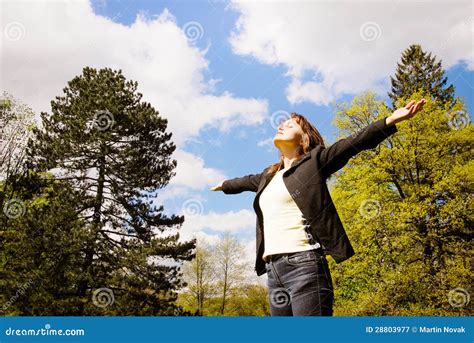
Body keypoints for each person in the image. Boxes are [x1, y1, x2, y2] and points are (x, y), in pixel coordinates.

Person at [210, 99, 426, 316]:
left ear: (304, 137)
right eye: (282, 123)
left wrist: (390, 120)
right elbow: (245, 181)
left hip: (305, 266)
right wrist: (225, 185)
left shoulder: (315, 162)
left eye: (291, 124)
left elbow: (352, 143)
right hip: (273, 271)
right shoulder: (268, 176)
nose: (282, 125)